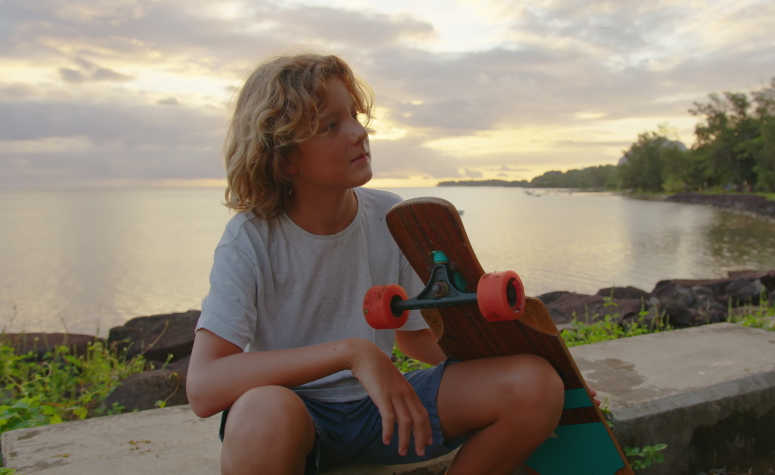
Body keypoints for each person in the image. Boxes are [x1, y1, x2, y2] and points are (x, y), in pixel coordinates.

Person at [186, 53, 584, 475]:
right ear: (286, 158)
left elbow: (416, 338)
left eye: (355, 115)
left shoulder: (389, 216)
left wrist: (552, 377)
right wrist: (352, 354)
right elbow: (205, 386)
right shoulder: (250, 239)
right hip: (295, 419)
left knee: (534, 386)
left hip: (388, 413)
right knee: (258, 415)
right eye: (330, 125)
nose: (359, 133)